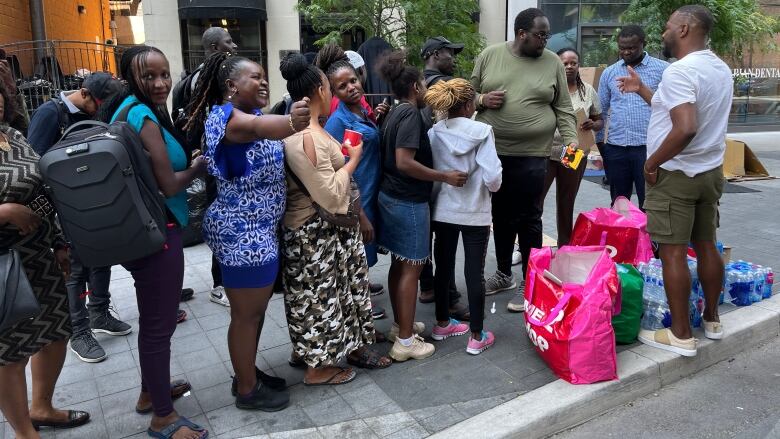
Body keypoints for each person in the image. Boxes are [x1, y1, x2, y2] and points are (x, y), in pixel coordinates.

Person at [185, 52, 309, 410]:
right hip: (244, 234)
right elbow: (260, 129)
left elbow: (264, 126)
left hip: (257, 232)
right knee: (246, 315)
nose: (263, 81)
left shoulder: (251, 115)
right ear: (231, 86)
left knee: (252, 314)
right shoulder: (228, 119)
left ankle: (246, 374)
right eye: (255, 76)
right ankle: (247, 391)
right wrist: (293, 120)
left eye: (264, 76)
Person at [98, 45, 208, 438]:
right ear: (132, 78)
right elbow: (168, 183)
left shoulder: (126, 108)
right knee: (159, 327)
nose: (161, 83)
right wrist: (198, 165)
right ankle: (162, 417)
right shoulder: (142, 115)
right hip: (158, 232)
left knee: (153, 321)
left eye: (165, 74)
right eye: (150, 76)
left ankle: (150, 392)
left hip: (143, 230)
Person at [618, 5, 732, 357]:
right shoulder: (719, 67)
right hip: (709, 172)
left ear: (684, 29)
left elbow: (685, 127)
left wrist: (652, 163)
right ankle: (712, 319)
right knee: (707, 243)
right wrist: (642, 91)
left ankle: (681, 333)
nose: (664, 33)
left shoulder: (680, 70)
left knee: (673, 253)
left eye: (668, 27)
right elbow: (675, 114)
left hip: (676, 174)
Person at [281, 53, 391, 384]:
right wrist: (353, 160)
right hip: (312, 234)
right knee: (318, 299)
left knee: (331, 296)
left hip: (327, 233)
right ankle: (318, 369)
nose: (333, 94)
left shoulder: (310, 131)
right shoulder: (306, 137)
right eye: (330, 87)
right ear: (319, 90)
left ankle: (336, 349)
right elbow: (329, 193)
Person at [0, 80, 91, 439]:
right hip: (3, 264)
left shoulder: (12, 134)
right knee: (11, 353)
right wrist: (4, 211)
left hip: (39, 254)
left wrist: (58, 242)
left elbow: (41, 189)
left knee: (56, 332)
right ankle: (24, 431)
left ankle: (42, 406)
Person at [470, 8, 578, 312]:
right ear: (521, 34)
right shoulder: (491, 55)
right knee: (501, 216)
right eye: (540, 34)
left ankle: (533, 280)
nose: (546, 40)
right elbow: (468, 93)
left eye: (547, 34)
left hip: (534, 154)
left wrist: (570, 142)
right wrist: (481, 100)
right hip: (495, 152)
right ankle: (504, 273)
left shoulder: (552, 62)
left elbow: (564, 108)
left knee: (530, 217)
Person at [27, 72, 131, 363]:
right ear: (84, 93)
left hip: (94, 199)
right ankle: (79, 330)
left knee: (101, 256)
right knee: (75, 268)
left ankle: (100, 313)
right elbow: (35, 161)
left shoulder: (94, 111)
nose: (102, 111)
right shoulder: (51, 113)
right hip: (64, 204)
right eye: (99, 104)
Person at [376, 50, 467, 361]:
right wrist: (444, 175)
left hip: (393, 198)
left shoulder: (393, 111)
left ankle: (400, 325)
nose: (428, 91)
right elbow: (404, 162)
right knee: (412, 269)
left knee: (400, 264)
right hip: (408, 201)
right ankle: (404, 341)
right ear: (415, 87)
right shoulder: (411, 115)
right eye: (424, 85)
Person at [425, 78, 502, 354]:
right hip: (475, 212)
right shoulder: (482, 131)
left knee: (443, 266)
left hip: (443, 209)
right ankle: (477, 335)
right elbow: (493, 175)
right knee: (474, 272)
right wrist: (492, 189)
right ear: (470, 104)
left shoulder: (435, 132)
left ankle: (443, 322)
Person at [319, 44, 389, 310]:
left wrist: (377, 122)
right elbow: (339, 171)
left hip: (371, 195)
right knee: (356, 259)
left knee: (363, 258)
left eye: (353, 80)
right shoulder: (339, 122)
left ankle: (363, 297)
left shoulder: (361, 110)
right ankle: (361, 311)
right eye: (342, 86)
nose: (351, 87)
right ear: (333, 92)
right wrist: (359, 215)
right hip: (359, 203)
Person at [174, 26, 238, 308]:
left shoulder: (213, 76)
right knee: (221, 217)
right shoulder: (206, 80)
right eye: (228, 42)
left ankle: (229, 277)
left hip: (223, 162)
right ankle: (219, 283)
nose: (234, 46)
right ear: (214, 47)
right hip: (215, 164)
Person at [416, 36, 469, 321]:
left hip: (422, 169)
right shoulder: (443, 88)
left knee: (427, 233)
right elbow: (450, 130)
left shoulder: (418, 83)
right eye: (451, 53)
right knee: (445, 236)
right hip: (440, 171)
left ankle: (427, 286)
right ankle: (449, 298)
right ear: (436, 54)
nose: (454, 58)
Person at [597, 25, 668, 208]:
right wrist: (602, 147)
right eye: (622, 48)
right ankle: (622, 237)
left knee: (651, 202)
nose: (626, 52)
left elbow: (669, 109)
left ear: (643, 44)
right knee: (619, 204)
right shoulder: (609, 73)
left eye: (632, 47)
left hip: (648, 148)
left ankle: (650, 237)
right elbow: (601, 111)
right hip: (616, 148)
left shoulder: (663, 70)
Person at [542, 48, 603, 248]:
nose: (569, 66)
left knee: (566, 201)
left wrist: (593, 125)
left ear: (578, 65)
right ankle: (526, 245)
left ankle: (564, 246)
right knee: (536, 200)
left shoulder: (588, 91)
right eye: (564, 63)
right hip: (547, 151)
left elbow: (599, 119)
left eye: (573, 63)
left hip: (573, 152)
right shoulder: (548, 87)